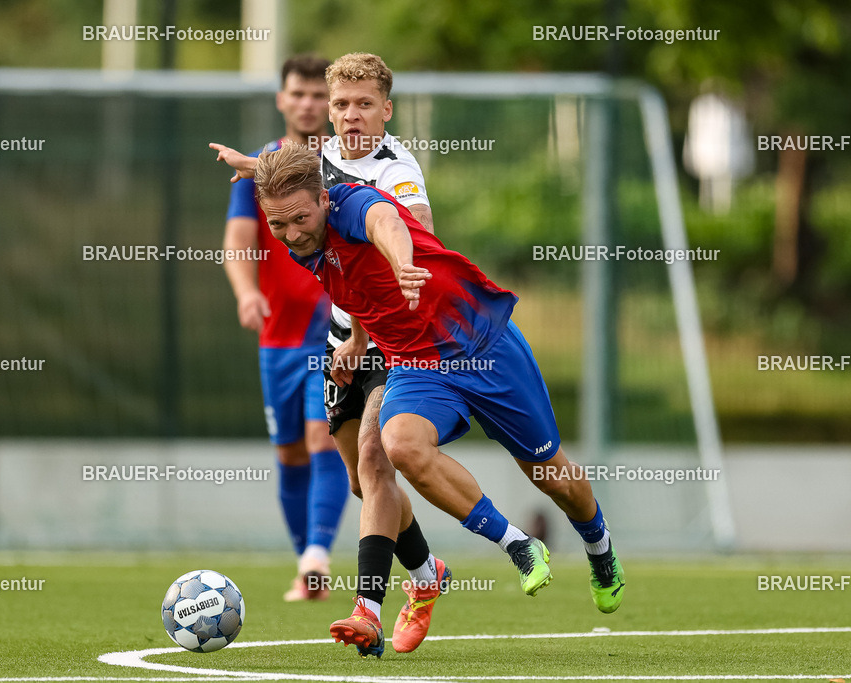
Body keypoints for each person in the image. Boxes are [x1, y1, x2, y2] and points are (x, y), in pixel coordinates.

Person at [251, 142, 627, 657]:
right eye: (277, 226)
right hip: (416, 365)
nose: (291, 234)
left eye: (298, 219)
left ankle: (599, 548)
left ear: (323, 197)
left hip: (483, 345)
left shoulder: (354, 203)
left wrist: (404, 263)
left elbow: (387, 222)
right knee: (395, 447)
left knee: (550, 473)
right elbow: (351, 282)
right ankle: (516, 544)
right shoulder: (304, 234)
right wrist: (358, 339)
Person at [212, 53, 449, 658]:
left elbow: (410, 222)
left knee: (368, 455)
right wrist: (247, 166)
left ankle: (355, 599)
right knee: (349, 474)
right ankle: (425, 574)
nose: (341, 113)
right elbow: (265, 203)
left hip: (379, 338)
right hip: (318, 336)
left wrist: (408, 254)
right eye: (334, 103)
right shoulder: (307, 163)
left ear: (384, 108)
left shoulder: (391, 168)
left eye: (353, 102)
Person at [221, 54, 348, 603]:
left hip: (335, 327)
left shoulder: (344, 164)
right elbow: (238, 240)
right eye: (299, 94)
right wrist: (247, 292)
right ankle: (307, 566)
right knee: (291, 453)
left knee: (325, 437)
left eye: (321, 96)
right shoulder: (259, 166)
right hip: (277, 333)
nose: (309, 104)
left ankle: (318, 558)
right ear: (282, 99)